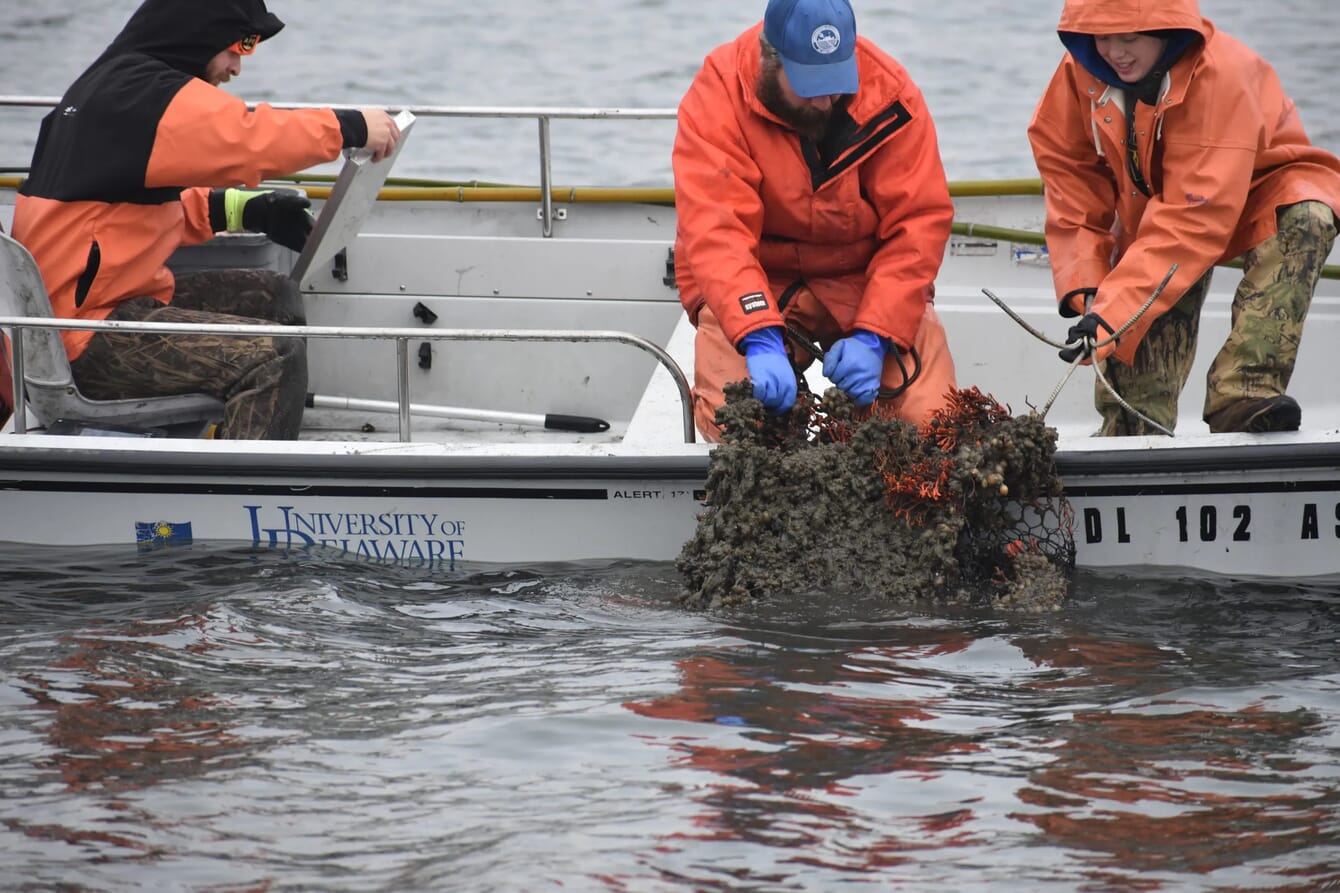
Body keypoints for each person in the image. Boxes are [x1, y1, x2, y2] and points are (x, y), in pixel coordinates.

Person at [9, 0, 401, 439]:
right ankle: (245, 494)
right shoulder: (142, 95)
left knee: (273, 294)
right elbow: (249, 138)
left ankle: (244, 436)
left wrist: (245, 209)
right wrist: (350, 126)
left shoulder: (118, 87)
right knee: (273, 355)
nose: (237, 67)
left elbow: (135, 206)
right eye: (239, 45)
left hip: (93, 311)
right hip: (79, 338)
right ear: (198, 34)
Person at [1028, 0, 1340, 435]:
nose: (1114, 52)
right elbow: (1069, 178)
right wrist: (1089, 291)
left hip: (1262, 194)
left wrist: (1115, 311)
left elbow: (1195, 218)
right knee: (1133, 401)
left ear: (1166, 31)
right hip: (1165, 209)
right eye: (1102, 37)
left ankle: (1245, 392)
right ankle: (1135, 424)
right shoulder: (1079, 71)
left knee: (1308, 216)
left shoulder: (1223, 75)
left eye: (1129, 38)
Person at [671, 0, 957, 441]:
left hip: (862, 277)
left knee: (928, 427)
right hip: (758, 279)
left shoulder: (892, 94)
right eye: (810, 85)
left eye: (836, 82)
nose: (826, 100)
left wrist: (876, 335)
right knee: (740, 424)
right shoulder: (717, 95)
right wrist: (757, 335)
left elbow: (917, 225)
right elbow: (717, 233)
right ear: (771, 58)